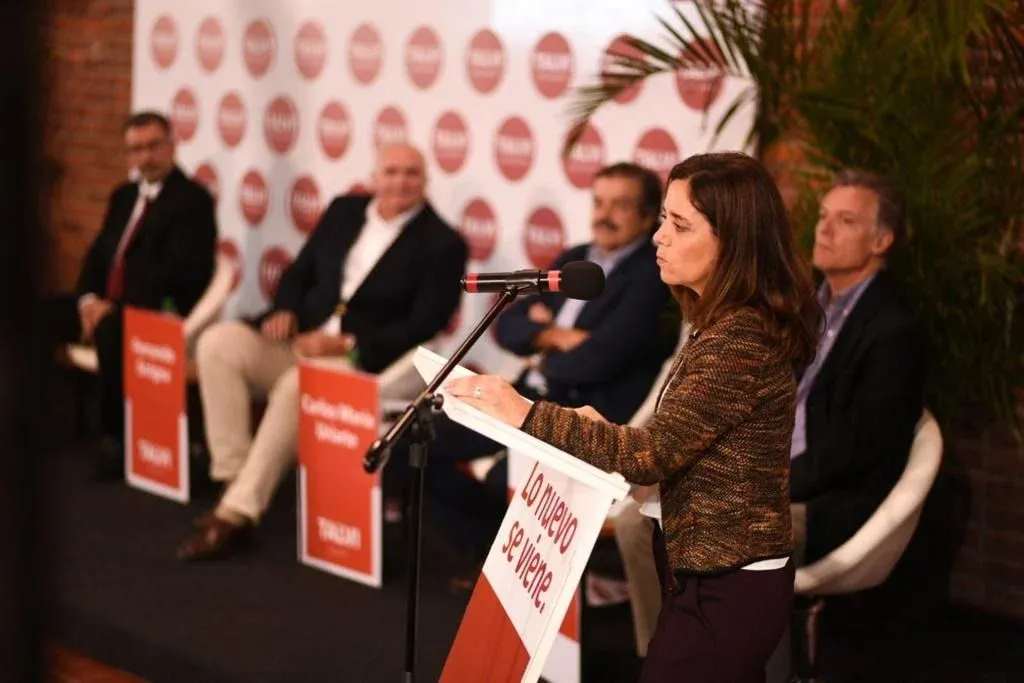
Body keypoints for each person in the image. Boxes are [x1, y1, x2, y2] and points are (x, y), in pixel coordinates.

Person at [445, 151, 822, 682]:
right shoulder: (723, 323)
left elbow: (651, 457)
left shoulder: (739, 338)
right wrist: (596, 430)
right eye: (664, 218)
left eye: (680, 225)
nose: (659, 238)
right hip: (709, 573)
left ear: (732, 241)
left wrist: (524, 412)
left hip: (728, 584)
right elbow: (682, 441)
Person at [387, 162, 678, 586]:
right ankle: (488, 554)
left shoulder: (653, 276)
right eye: (599, 203)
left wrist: (543, 350)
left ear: (649, 215)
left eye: (620, 205)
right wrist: (557, 336)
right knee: (414, 442)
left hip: (585, 411)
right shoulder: (576, 257)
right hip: (525, 393)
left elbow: (601, 358)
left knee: (504, 479)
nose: (604, 215)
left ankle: (516, 573)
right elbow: (509, 321)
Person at [176, 143, 468, 561]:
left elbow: (425, 324)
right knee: (218, 344)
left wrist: (349, 344)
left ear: (426, 181)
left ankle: (236, 513)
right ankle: (234, 476)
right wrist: (285, 309)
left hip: (362, 362)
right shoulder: (344, 211)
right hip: (301, 340)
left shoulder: (443, 243)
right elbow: (299, 271)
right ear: (374, 177)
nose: (401, 182)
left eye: (412, 173)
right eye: (391, 172)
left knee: (299, 385)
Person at [789, 168, 927, 564]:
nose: (824, 229)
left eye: (845, 220)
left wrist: (761, 483)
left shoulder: (894, 329)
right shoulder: (805, 310)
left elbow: (853, 451)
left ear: (881, 241)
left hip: (824, 504)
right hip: (771, 476)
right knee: (644, 520)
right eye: (823, 216)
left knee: (690, 528)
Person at [75, 111, 217, 476]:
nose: (146, 157)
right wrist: (88, 300)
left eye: (154, 146)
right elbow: (98, 257)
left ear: (172, 146)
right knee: (36, 314)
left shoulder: (193, 200)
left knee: (111, 328)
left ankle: (114, 440)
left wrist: (113, 307)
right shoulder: (123, 196)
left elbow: (180, 272)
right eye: (136, 150)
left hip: (156, 309)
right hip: (106, 304)